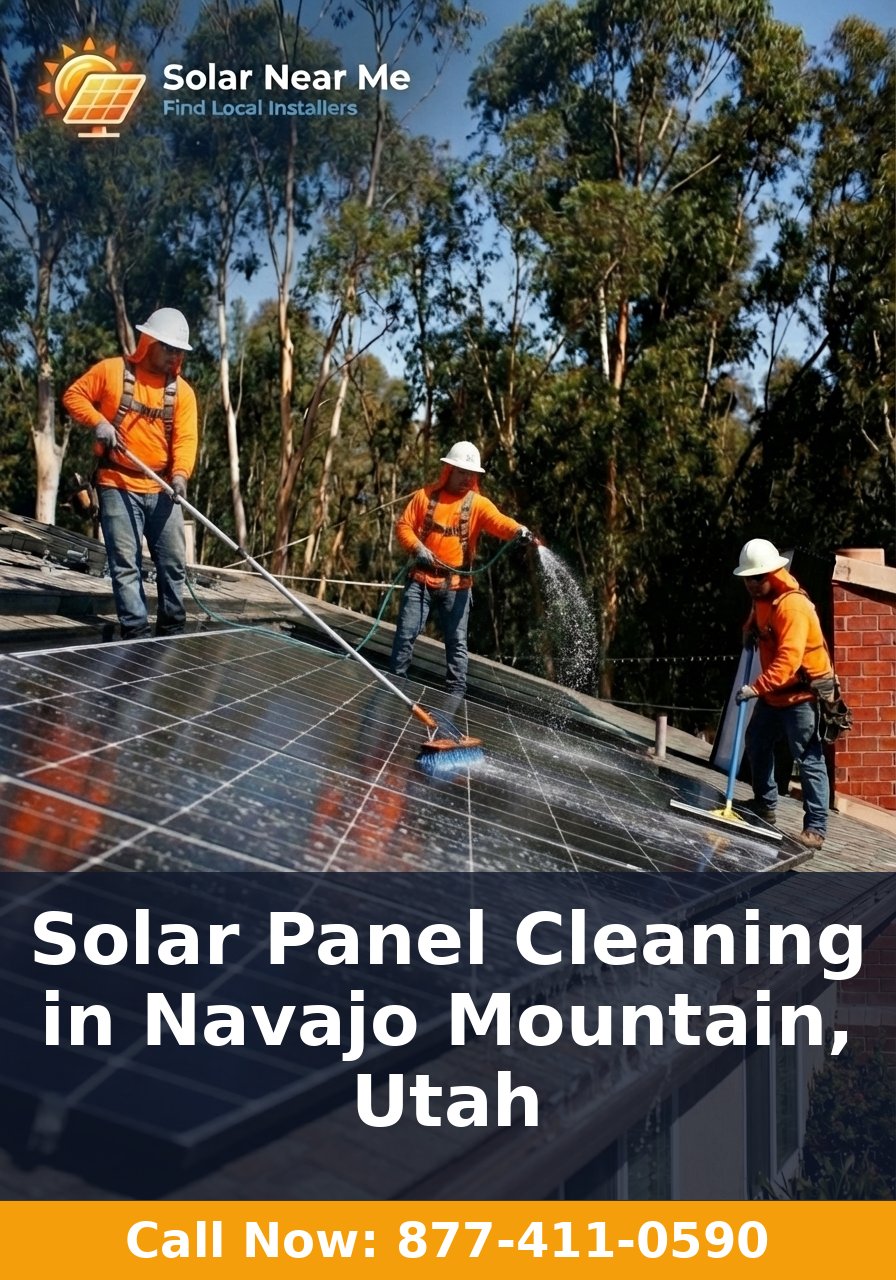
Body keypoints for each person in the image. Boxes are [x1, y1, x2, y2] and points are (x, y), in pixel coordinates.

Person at [63, 308, 198, 639]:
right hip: (117, 483)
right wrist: (99, 422)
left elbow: (185, 439)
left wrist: (180, 476)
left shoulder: (182, 393)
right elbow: (73, 396)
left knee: (172, 565)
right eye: (168, 347)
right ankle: (137, 636)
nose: (174, 355)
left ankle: (171, 632)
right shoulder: (111, 372)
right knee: (126, 563)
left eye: (179, 350)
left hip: (163, 488)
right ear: (148, 342)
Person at [390, 441, 534, 696]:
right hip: (421, 579)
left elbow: (500, 522)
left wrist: (518, 530)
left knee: (456, 644)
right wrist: (417, 548)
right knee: (406, 633)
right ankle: (395, 686)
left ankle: (456, 696)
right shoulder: (425, 496)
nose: (466, 478)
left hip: (457, 586)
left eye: (471, 473)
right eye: (461, 472)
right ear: (448, 470)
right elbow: (404, 526)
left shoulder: (477, 504)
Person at [732, 538, 833, 850]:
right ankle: (765, 804)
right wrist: (748, 629)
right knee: (758, 741)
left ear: (770, 574)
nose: (749, 584)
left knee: (808, 757)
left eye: (755, 578)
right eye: (747, 578)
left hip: (800, 695)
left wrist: (755, 688)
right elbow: (757, 618)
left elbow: (788, 662)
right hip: (776, 694)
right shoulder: (762, 596)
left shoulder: (793, 607)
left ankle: (815, 828)